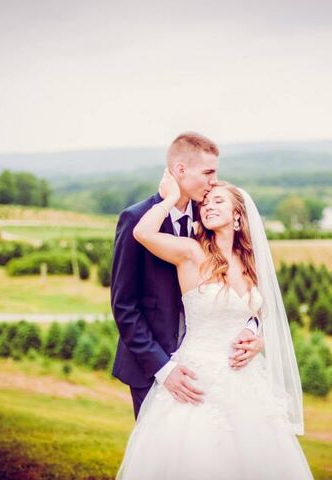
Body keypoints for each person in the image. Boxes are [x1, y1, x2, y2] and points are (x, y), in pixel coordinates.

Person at [114, 169, 313, 479]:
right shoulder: (191, 253)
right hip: (198, 377)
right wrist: (169, 200)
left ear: (237, 215)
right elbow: (143, 233)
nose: (207, 206)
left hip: (246, 381)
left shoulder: (251, 262)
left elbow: (260, 311)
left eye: (217, 201)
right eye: (205, 202)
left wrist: (253, 331)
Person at [110, 132, 264, 419]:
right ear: (181, 170)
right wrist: (164, 370)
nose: (213, 182)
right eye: (208, 173)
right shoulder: (136, 218)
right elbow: (124, 307)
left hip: (216, 366)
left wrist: (252, 333)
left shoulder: (210, 215)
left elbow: (240, 292)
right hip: (152, 367)